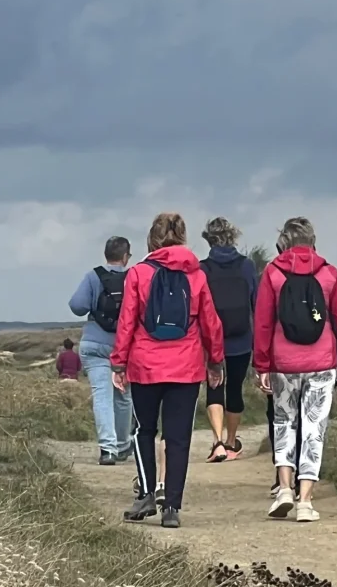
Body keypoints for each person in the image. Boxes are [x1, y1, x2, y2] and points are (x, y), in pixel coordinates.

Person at [111, 211, 224, 529]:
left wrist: (118, 362)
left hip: (145, 365)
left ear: (153, 238)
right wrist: (215, 361)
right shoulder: (197, 275)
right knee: (178, 437)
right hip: (186, 368)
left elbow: (127, 322)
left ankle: (146, 493)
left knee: (143, 431)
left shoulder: (138, 274)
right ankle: (172, 506)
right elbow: (211, 323)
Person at [254, 216, 337, 523]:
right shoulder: (328, 273)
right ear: (312, 241)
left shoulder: (273, 273)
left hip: (283, 364)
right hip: (322, 364)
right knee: (314, 430)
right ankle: (305, 500)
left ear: (284, 242)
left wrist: (262, 364)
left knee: (284, 422)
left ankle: (284, 488)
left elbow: (261, 322)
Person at [69, 236, 133, 465]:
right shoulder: (132, 278)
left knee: (102, 396)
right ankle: (124, 444)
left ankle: (108, 449)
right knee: (123, 397)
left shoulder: (93, 276)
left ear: (106, 254)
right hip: (123, 346)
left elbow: (77, 306)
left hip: (94, 342)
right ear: (125, 257)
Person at [200, 217, 258, 462]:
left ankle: (217, 443)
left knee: (214, 388)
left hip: (211, 341)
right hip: (241, 339)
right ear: (233, 237)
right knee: (234, 389)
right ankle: (233, 442)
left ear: (209, 239)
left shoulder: (202, 268)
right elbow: (256, 302)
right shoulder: (247, 266)